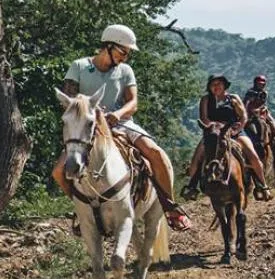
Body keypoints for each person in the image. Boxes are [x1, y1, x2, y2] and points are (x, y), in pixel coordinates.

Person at [55, 24, 193, 231]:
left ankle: (170, 207)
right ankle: (80, 209)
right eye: (123, 52)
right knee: (58, 172)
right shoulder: (79, 66)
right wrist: (92, 112)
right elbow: (69, 99)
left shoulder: (125, 71)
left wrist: (117, 114)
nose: (125, 57)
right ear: (109, 46)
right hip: (88, 128)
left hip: (121, 124)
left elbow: (133, 103)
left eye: (127, 53)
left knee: (156, 153)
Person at [183, 75, 270, 199]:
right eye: (213, 84)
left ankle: (262, 185)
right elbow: (204, 118)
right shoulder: (206, 99)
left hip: (234, 132)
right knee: (196, 159)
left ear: (224, 85)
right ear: (209, 87)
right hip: (213, 134)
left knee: (253, 156)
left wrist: (237, 129)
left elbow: (244, 116)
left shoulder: (233, 98)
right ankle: (192, 186)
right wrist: (215, 126)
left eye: (219, 84)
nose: (216, 86)